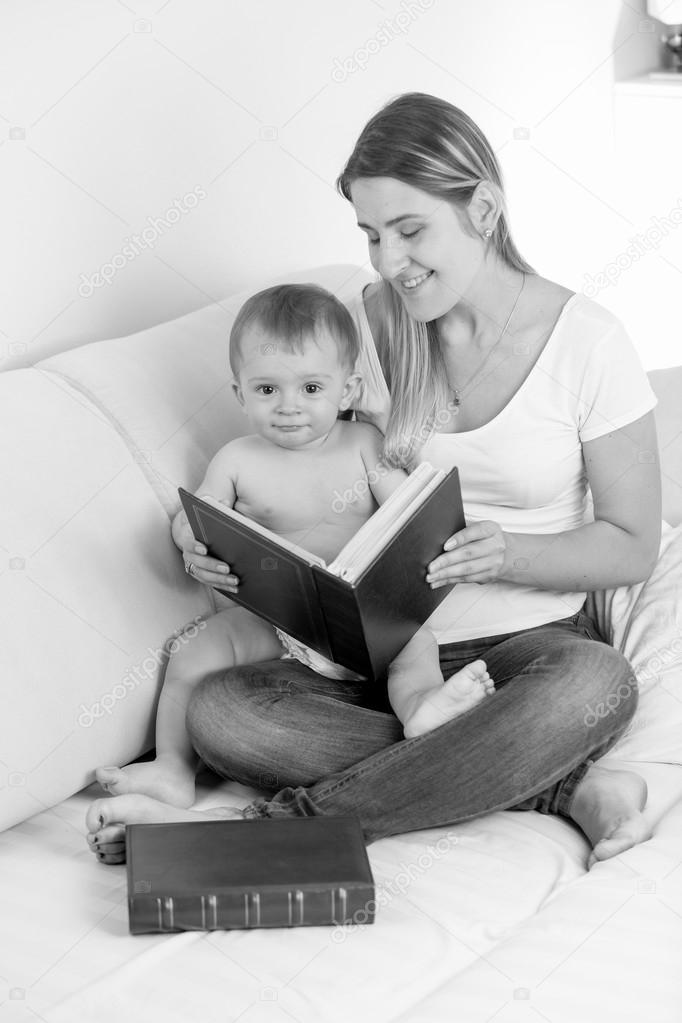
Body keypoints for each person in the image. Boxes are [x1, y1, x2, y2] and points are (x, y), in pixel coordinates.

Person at [86, 92, 661, 870]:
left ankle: (272, 832)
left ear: (484, 208)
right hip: (373, 662)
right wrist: (212, 545)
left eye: (411, 230)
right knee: (227, 713)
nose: (389, 262)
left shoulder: (590, 345)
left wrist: (501, 555)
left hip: (527, 654)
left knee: (597, 683)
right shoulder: (364, 326)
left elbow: (630, 546)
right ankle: (558, 784)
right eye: (371, 235)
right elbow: (289, 450)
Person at [93, 282, 494, 811]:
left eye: (310, 388)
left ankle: (422, 706)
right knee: (193, 650)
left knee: (415, 647)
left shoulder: (364, 445)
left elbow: (407, 518)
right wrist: (193, 544)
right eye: (266, 390)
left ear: (347, 391)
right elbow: (197, 517)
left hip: (368, 619)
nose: (288, 408)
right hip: (279, 621)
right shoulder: (236, 459)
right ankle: (171, 768)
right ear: (239, 393)